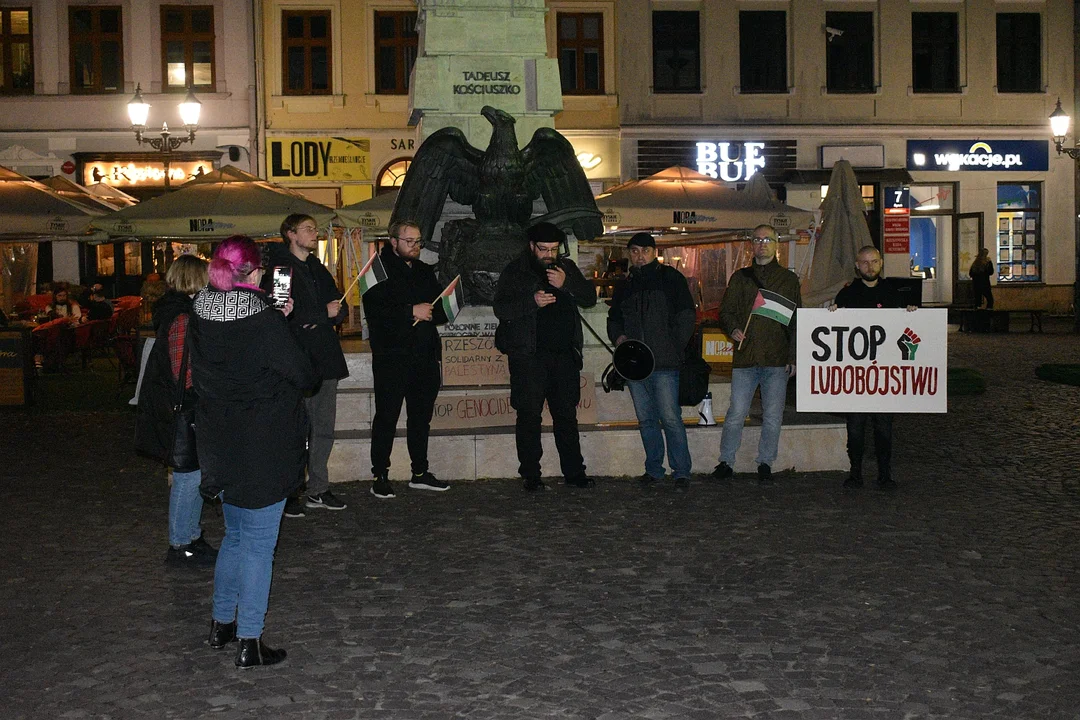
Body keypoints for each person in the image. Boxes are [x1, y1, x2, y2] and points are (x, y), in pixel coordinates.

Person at [192, 235, 317, 668]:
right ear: (256, 271)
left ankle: (221, 623)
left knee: (236, 537)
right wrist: (283, 323)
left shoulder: (200, 311)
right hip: (263, 441)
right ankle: (250, 640)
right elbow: (304, 375)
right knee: (260, 545)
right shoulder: (263, 319)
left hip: (219, 440)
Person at [494, 222, 597, 491]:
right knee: (529, 416)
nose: (549, 255)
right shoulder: (515, 271)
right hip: (529, 357)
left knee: (566, 416)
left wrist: (567, 284)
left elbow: (589, 298)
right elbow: (501, 308)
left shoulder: (566, 268)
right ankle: (531, 474)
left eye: (554, 249)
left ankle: (575, 472)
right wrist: (532, 302)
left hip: (563, 357)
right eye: (543, 249)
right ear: (531, 247)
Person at [263, 214, 350, 517]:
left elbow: (338, 302)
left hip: (325, 359)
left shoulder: (317, 267)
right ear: (290, 234)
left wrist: (337, 312)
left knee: (324, 429)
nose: (315, 234)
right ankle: (290, 491)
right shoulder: (280, 270)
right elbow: (279, 313)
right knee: (294, 430)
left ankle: (319, 487)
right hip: (297, 361)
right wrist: (320, 314)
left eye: (315, 229)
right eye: (308, 229)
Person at [363, 219, 451, 498]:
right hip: (392, 355)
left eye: (418, 242)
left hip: (424, 355)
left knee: (420, 417)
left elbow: (437, 308)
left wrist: (443, 307)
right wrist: (410, 311)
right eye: (409, 241)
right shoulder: (377, 270)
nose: (415, 246)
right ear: (394, 242)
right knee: (387, 416)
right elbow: (375, 309)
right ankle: (380, 473)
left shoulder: (424, 271)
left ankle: (420, 472)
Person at [607, 233, 696, 491]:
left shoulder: (671, 279)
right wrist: (619, 337)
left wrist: (674, 347)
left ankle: (681, 471)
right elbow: (614, 318)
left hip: (666, 363)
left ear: (654, 251)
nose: (639, 255)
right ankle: (654, 469)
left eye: (645, 250)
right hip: (635, 364)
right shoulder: (626, 285)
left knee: (670, 419)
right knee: (646, 419)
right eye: (634, 251)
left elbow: (686, 316)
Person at [712, 224, 801, 484]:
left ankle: (765, 462)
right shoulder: (740, 278)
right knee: (736, 413)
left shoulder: (788, 280)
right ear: (752, 244)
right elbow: (725, 312)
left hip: (776, 358)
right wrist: (734, 328)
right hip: (746, 357)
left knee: (773, 415)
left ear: (776, 244)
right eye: (757, 239)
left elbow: (796, 320)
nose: (762, 244)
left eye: (767, 239)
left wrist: (794, 357)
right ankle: (726, 461)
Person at [148, 255, 216, 568]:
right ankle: (179, 544)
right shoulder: (182, 317)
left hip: (186, 406)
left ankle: (190, 536)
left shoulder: (180, 313)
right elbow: (183, 370)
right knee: (187, 478)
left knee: (194, 476)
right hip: (186, 407)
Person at [830, 245, 917, 490]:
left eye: (874, 261)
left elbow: (906, 328)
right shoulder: (847, 295)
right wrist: (832, 316)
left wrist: (911, 314)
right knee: (855, 429)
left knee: (884, 429)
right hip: (857, 377)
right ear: (857, 266)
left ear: (881, 263)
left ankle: (884, 474)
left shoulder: (894, 293)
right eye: (865, 262)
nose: (870, 267)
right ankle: (855, 472)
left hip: (884, 376)